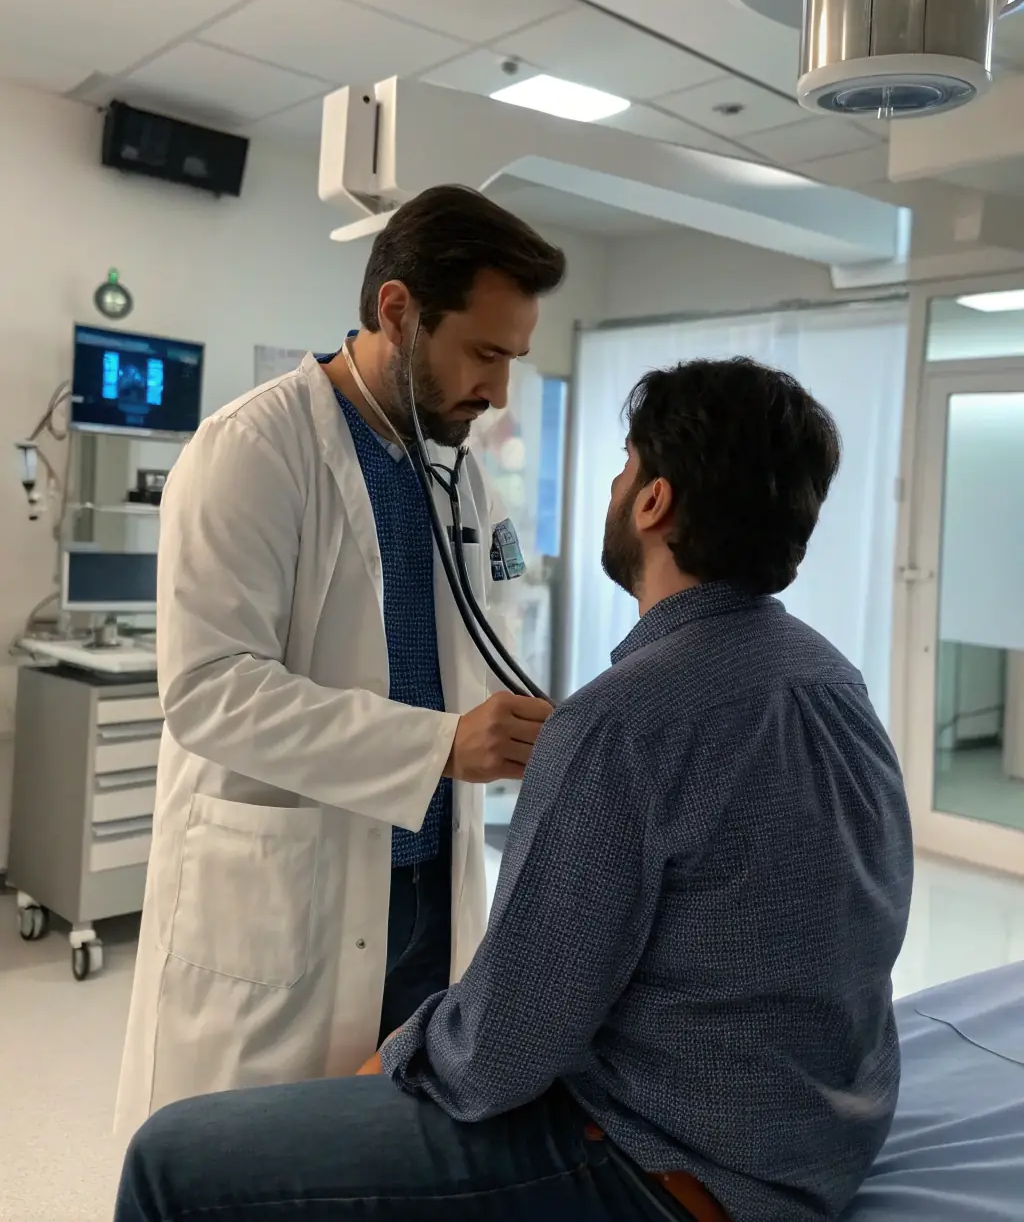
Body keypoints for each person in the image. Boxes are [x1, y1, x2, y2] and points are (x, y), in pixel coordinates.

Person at [115, 358, 914, 1222]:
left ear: (652, 502)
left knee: (171, 1155)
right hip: (815, 1144)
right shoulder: (833, 682)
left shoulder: (623, 723)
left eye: (624, 464)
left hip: (665, 1166)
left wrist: (397, 1053)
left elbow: (499, 1053)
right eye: (488, 355)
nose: (497, 389)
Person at [114, 185, 565, 1136]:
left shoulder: (458, 470)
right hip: (287, 896)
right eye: (485, 354)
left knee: (380, 1156)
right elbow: (208, 691)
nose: (499, 391)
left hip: (429, 888)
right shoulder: (251, 450)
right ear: (397, 311)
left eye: (514, 359)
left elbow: (475, 646)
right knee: (246, 1164)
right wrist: (440, 746)